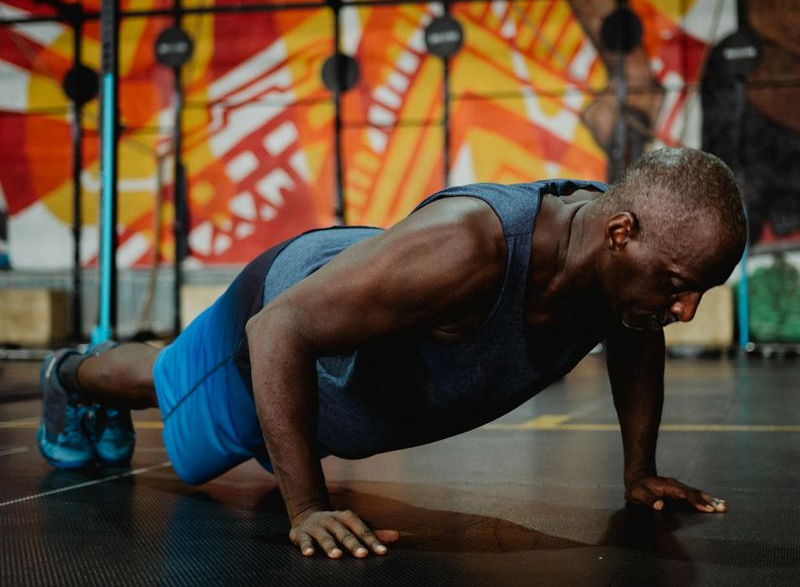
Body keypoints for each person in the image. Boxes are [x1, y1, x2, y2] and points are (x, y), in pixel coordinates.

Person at [38, 147, 746, 560]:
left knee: (182, 391)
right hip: (278, 328)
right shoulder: (474, 245)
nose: (684, 311)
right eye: (680, 287)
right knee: (168, 387)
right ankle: (69, 375)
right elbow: (277, 332)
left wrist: (639, 470)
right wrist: (307, 506)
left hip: (342, 339)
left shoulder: (619, 272)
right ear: (621, 231)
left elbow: (634, 340)